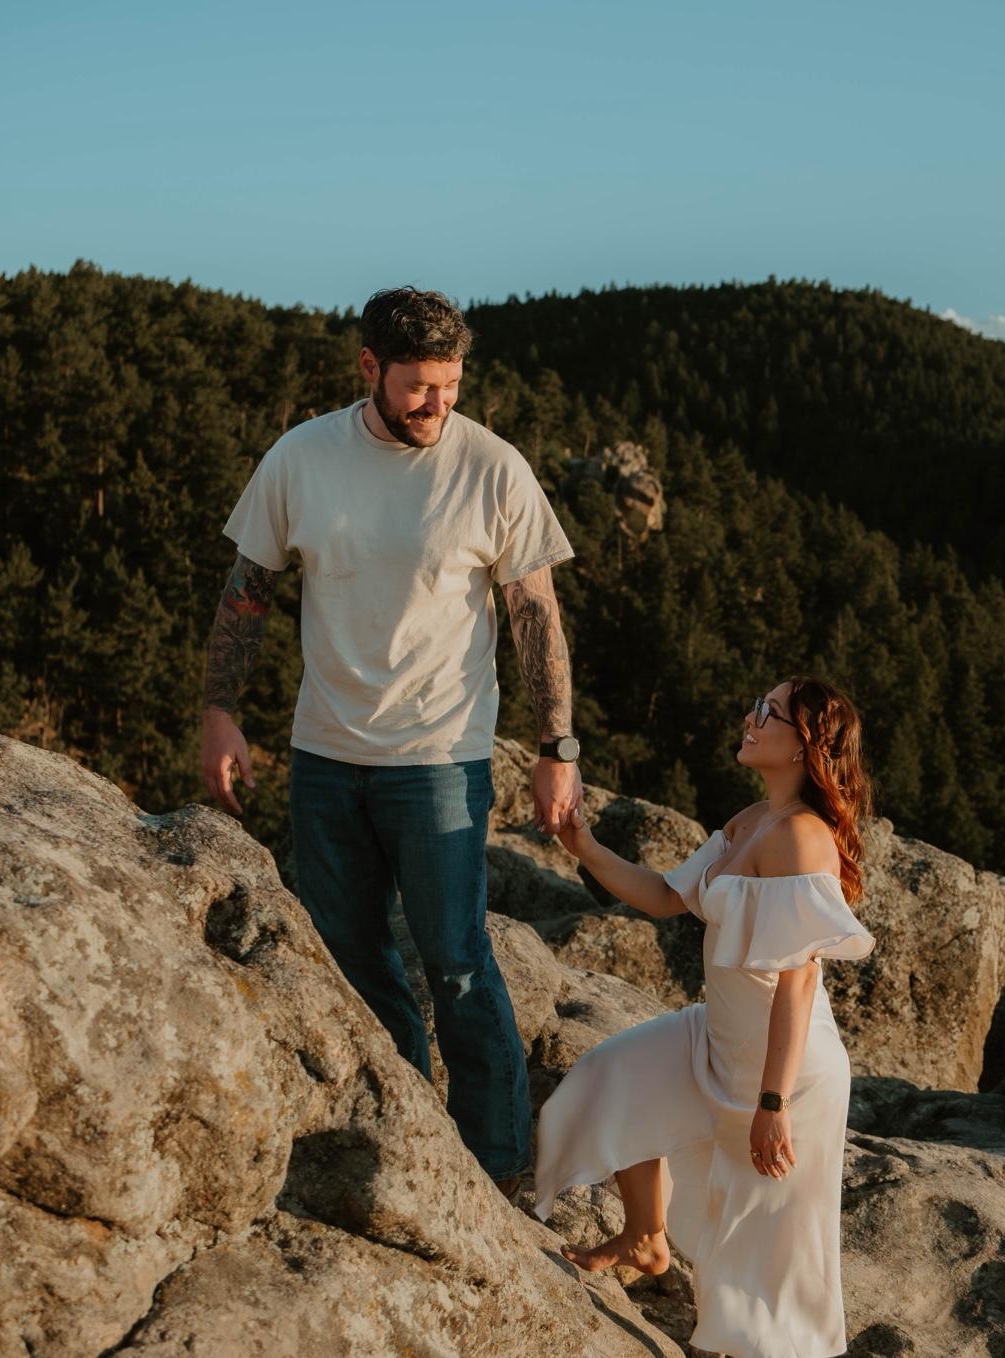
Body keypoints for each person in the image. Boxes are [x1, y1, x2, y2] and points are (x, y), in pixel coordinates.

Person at [200, 286, 583, 1199]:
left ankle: (496, 1168)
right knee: (351, 959)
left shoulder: (492, 467)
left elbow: (535, 615)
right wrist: (219, 709)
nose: (436, 405)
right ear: (369, 367)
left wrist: (557, 746)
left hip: (441, 760)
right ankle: (401, 1137)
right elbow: (248, 590)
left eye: (451, 386)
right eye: (418, 387)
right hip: (325, 757)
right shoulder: (301, 457)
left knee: (457, 961)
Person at [535, 675, 875, 1358]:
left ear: (806, 744)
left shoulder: (802, 839)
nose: (751, 717)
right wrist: (585, 847)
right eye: (757, 706)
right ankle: (644, 1238)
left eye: (768, 712)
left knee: (760, 1261)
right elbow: (667, 895)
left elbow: (799, 981)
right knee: (614, 1077)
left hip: (786, 1071)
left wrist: (773, 1103)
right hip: (718, 1037)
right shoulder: (750, 821)